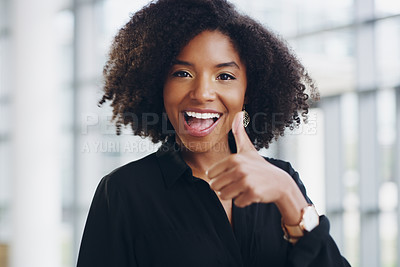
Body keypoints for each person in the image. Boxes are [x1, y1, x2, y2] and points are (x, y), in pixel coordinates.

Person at [77, 0, 351, 266]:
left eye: (225, 76)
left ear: (248, 92)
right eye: (182, 73)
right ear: (158, 85)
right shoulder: (124, 193)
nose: (202, 93)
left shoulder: (282, 180)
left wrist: (289, 195)